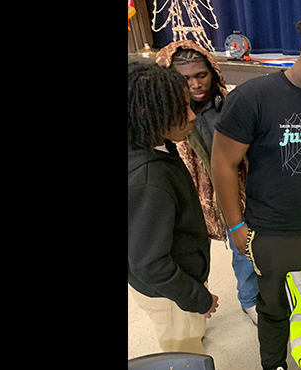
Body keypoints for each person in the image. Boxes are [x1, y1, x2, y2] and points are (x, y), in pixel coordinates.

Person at [210, 8, 301, 370]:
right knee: (275, 310)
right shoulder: (252, 98)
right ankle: (275, 365)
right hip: (277, 233)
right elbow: (223, 164)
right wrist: (235, 226)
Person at [155, 40, 259, 326]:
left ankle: (249, 299)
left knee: (243, 244)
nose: (195, 84)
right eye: (185, 78)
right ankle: (193, 310)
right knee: (192, 255)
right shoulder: (162, 115)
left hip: (236, 190)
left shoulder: (231, 103)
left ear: (212, 71)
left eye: (201, 75)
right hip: (188, 198)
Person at [128, 61, 219, 355]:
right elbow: (149, 264)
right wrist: (198, 299)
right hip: (170, 297)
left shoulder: (150, 142)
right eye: (182, 110)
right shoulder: (149, 181)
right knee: (185, 355)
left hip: (178, 276)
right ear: (149, 113)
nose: (192, 116)